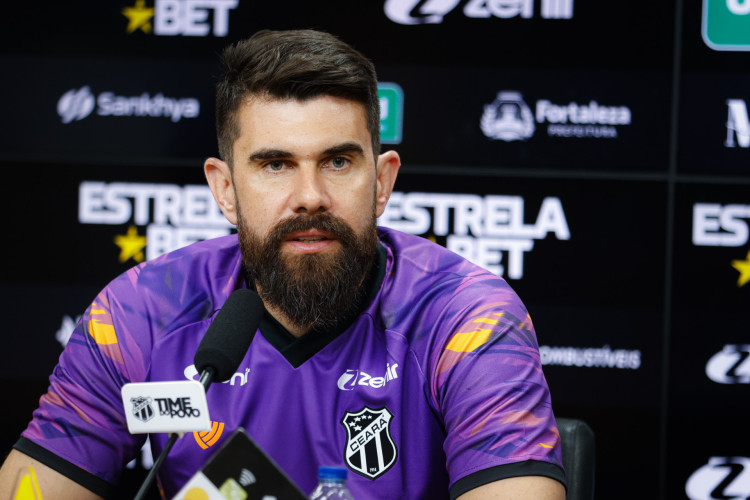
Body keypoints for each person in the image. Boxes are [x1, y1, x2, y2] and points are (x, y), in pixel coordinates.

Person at [0, 29, 566, 499]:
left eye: (338, 162)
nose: (310, 196)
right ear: (224, 189)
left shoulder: (467, 316)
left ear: (383, 181)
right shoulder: (143, 310)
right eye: (274, 165)